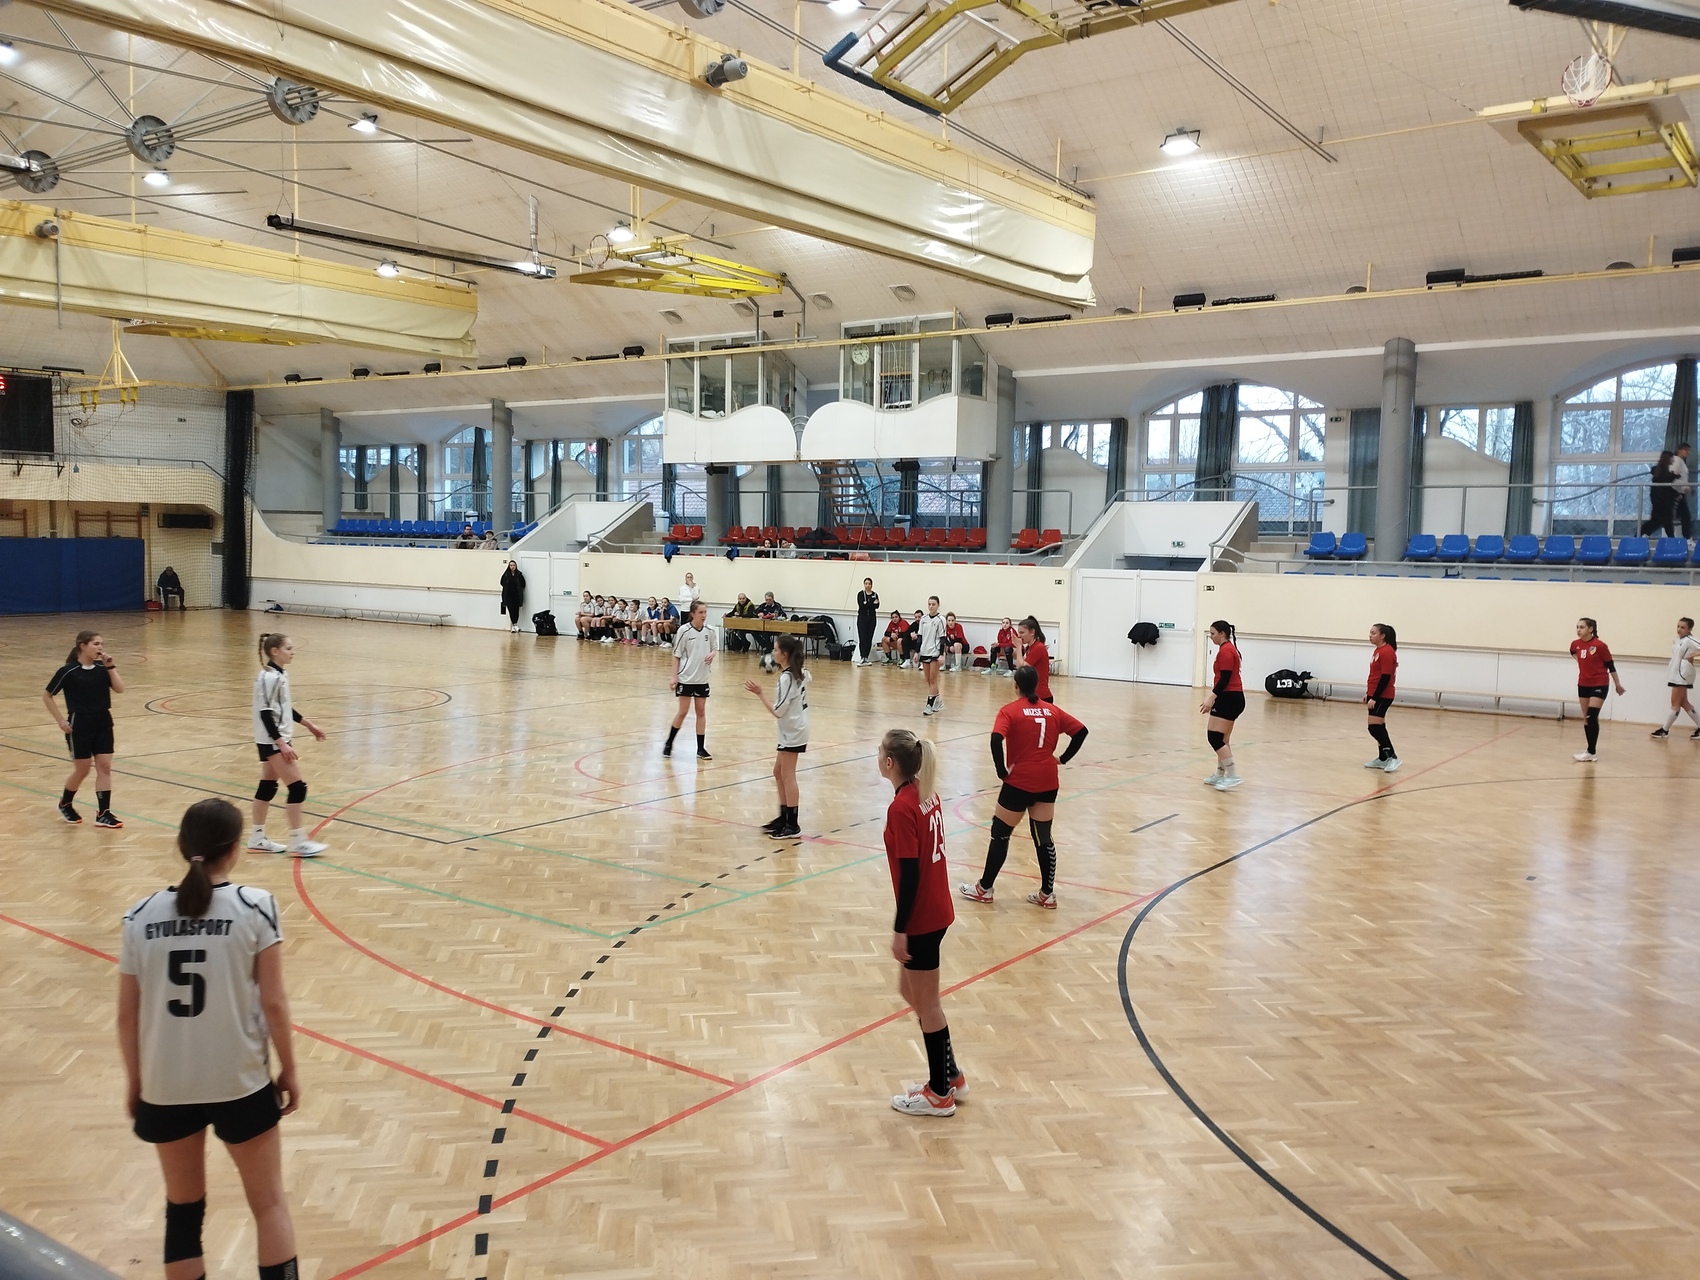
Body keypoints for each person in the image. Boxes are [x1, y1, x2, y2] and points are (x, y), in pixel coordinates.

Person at [119, 797, 302, 1280]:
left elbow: (126, 1015)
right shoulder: (256, 906)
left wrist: (136, 1082)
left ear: (184, 847)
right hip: (239, 1081)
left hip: (166, 1085)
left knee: (183, 1210)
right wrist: (290, 1070)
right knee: (269, 1204)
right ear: (235, 849)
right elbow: (274, 1002)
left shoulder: (139, 916)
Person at [878, 728, 965, 1117]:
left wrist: (900, 930)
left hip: (922, 917)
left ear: (890, 762)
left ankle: (940, 1093)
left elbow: (911, 874)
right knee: (910, 991)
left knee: (927, 1005)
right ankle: (950, 1074)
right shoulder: (925, 793)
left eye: (879, 752)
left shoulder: (902, 808)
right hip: (935, 908)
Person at [958, 665, 1088, 910]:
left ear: (1016, 685)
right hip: (1048, 780)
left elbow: (996, 739)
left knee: (1000, 832)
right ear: (1037, 685)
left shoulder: (1009, 711)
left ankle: (984, 889)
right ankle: (1047, 894)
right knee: (1043, 837)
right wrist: (1063, 758)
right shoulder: (1052, 711)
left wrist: (1001, 771)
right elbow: (1081, 731)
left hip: (1018, 782)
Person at [249, 633, 328, 857]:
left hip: (275, 739)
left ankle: (257, 838)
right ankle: (298, 842)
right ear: (275, 651)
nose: (293, 652)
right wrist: (281, 743)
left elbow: (283, 708)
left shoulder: (279, 674)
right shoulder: (269, 677)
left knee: (267, 786)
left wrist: (309, 725)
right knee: (297, 787)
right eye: (289, 648)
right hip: (273, 740)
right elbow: (265, 714)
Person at [42, 629, 125, 828]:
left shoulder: (102, 668)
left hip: (103, 721)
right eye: (96, 644)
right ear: (83, 646)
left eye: (101, 644)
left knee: (105, 767)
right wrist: (61, 720)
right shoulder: (68, 671)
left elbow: (120, 688)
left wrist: (111, 667)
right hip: (80, 723)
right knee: (83, 769)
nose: (100, 647)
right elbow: (47, 696)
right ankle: (65, 803)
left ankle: (103, 813)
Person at [745, 633, 809, 839]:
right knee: (778, 772)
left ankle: (793, 825)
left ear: (784, 654)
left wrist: (760, 693)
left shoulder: (787, 678)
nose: (772, 653)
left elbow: (778, 711)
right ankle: (783, 817)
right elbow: (807, 677)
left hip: (793, 731)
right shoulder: (797, 672)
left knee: (788, 775)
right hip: (790, 729)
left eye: (775, 650)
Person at [665, 599, 717, 760]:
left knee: (701, 712)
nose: (704, 615)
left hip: (702, 678)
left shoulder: (710, 630)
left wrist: (712, 654)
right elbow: (676, 655)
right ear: (693, 614)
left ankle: (700, 749)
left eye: (705, 612)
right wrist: (674, 677)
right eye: (701, 612)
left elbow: (714, 648)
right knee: (683, 712)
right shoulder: (684, 630)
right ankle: (669, 743)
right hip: (686, 678)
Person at [1571, 616, 1625, 762]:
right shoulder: (1575, 644)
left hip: (1599, 683)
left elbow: (1611, 666)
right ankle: (1589, 750)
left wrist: (1617, 684)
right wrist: (1582, 663)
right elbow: (1573, 652)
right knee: (1586, 718)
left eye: (1582, 627)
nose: (1578, 630)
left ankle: (1591, 751)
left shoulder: (1600, 646)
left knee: (1591, 716)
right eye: (1577, 627)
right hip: (1583, 683)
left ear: (1591, 629)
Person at [1200, 620, 1245, 789]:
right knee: (1223, 739)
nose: (1211, 637)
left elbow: (1225, 679)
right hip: (1231, 698)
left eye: (1213, 634)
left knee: (1214, 738)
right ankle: (1220, 774)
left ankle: (1233, 776)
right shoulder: (1227, 649)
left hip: (1229, 698)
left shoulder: (1226, 651)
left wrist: (1211, 697)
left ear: (1222, 634)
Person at [1653, 616, 1700, 739]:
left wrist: (1693, 655)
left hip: (1683, 674)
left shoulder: (1691, 640)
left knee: (1675, 704)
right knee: (1683, 702)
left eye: (1683, 627)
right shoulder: (1676, 640)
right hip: (1675, 672)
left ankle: (1664, 730)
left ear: (1689, 629)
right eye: (1678, 626)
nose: (1679, 629)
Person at [1363, 622, 1400, 772]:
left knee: (1374, 728)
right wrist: (1368, 694)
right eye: (1370, 633)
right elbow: (1375, 675)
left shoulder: (1387, 652)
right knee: (1379, 726)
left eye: (1373, 633)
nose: (1370, 636)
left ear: (1382, 636)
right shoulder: (1378, 651)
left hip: (1383, 695)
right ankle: (1383, 758)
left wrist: (1375, 697)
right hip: (1375, 693)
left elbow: (1385, 677)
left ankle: (1392, 757)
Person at [915, 596, 948, 715]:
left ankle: (929, 705)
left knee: (933, 680)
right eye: (929, 604)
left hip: (935, 652)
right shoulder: (923, 619)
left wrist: (941, 654)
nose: (931, 606)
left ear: (938, 605)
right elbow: (920, 637)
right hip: (924, 652)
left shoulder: (941, 619)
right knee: (929, 680)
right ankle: (938, 701)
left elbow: (943, 638)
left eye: (933, 604)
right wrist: (917, 652)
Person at [1642, 450, 1678, 537]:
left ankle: (1641, 533)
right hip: (1663, 501)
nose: (1673, 460)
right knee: (1661, 520)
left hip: (1658, 499)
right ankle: (1641, 533)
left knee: (1662, 521)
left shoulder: (1659, 470)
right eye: (1672, 458)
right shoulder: (1663, 472)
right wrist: (1674, 476)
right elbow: (1665, 486)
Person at [1018, 616, 1052, 702]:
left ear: (1032, 632)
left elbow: (1022, 668)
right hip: (1032, 694)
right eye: (1019, 632)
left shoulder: (1038, 647)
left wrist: (1018, 647)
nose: (1019, 635)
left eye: (1022, 633)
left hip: (1041, 696)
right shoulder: (1030, 648)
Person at [754, 590, 787, 664]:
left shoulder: (777, 606)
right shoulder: (762, 606)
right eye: (766, 600)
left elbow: (784, 615)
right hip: (763, 626)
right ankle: (765, 646)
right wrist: (759, 614)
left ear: (773, 599)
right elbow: (754, 612)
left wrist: (777, 617)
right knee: (753, 631)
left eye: (770, 600)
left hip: (774, 627)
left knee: (765, 632)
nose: (768, 601)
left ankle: (768, 649)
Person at [855, 577, 880, 665]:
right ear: (864, 584)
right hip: (862, 618)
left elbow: (877, 606)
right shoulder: (861, 594)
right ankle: (862, 657)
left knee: (869, 638)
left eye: (869, 584)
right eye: (866, 583)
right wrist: (871, 603)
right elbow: (862, 606)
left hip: (872, 619)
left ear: (871, 585)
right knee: (863, 638)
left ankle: (866, 657)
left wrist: (868, 603)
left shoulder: (875, 594)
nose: (868, 585)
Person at [499, 560, 526, 632]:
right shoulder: (506, 574)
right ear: (509, 566)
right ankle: (514, 625)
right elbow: (502, 583)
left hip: (516, 595)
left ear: (516, 566)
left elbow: (523, 584)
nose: (512, 567)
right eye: (511, 565)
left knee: (516, 610)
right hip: (508, 596)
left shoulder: (519, 574)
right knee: (511, 610)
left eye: (514, 565)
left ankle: (514, 625)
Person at [1674, 442, 1693, 538]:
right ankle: (1687, 537)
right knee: (1685, 515)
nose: (1688, 452)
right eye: (1685, 450)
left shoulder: (1681, 461)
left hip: (1680, 492)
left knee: (1685, 515)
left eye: (1688, 450)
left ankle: (1686, 537)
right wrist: (1682, 489)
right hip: (1677, 492)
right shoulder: (1677, 461)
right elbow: (1673, 477)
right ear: (1679, 450)